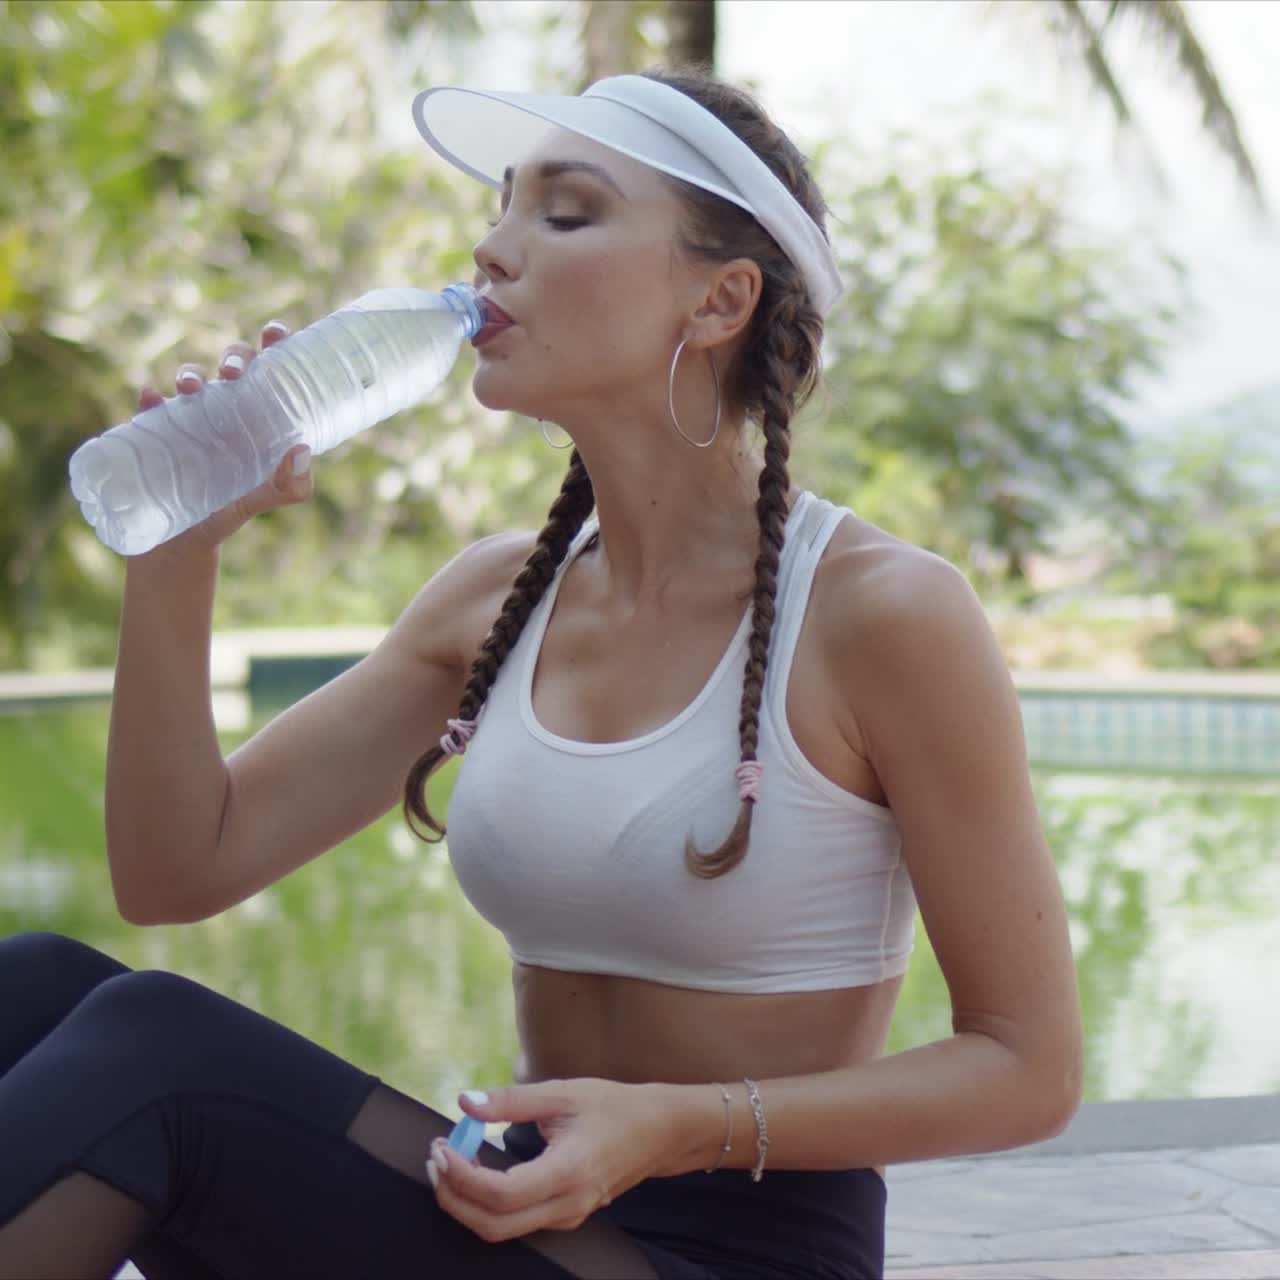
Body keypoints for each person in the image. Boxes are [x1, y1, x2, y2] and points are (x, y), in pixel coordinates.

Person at [0, 67, 1083, 1280]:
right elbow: (174, 868)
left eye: (562, 213)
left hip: (732, 1253)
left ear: (719, 299)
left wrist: (677, 1125)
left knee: (160, 1050)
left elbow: (1026, 1066)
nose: (491, 248)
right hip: (525, 1215)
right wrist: (180, 548)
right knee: (34, 984)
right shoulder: (495, 598)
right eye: (502, 206)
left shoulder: (881, 615)